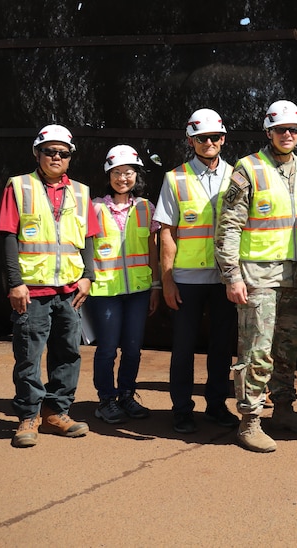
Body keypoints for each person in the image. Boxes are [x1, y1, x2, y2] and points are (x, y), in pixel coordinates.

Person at [216, 99, 297, 452]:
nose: (287, 135)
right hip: (257, 275)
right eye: (281, 129)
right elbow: (229, 225)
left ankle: (284, 410)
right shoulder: (248, 168)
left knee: (287, 347)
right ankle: (250, 421)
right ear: (268, 132)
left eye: (293, 130)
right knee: (256, 349)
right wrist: (232, 275)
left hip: (296, 276)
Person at [0, 124, 100, 447]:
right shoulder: (19, 187)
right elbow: (9, 237)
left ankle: (56, 413)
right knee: (28, 354)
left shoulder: (81, 192)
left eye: (63, 153)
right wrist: (16, 283)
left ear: (70, 157)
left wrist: (89, 276)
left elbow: (87, 239)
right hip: (33, 291)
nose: (56, 157)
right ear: (37, 153)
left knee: (68, 353)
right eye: (50, 151)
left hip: (70, 291)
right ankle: (28, 416)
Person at [156, 109, 240, 434]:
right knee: (183, 348)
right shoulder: (174, 178)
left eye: (215, 137)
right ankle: (181, 410)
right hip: (187, 280)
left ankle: (217, 407)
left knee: (222, 347)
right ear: (191, 140)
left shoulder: (237, 175)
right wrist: (167, 281)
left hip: (223, 279)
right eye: (202, 138)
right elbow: (166, 233)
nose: (209, 142)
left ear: (223, 138)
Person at [88, 145, 162, 424]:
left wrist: (155, 286)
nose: (123, 178)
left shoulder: (146, 207)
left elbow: (152, 249)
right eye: (117, 172)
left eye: (128, 172)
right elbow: (85, 247)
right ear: (108, 175)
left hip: (139, 291)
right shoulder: (94, 208)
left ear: (137, 175)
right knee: (107, 348)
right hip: (105, 290)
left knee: (132, 347)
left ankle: (127, 394)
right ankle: (106, 399)